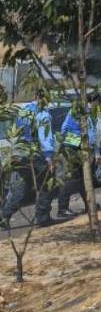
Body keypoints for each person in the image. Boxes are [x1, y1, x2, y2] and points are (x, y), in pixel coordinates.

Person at [1, 92, 57, 228]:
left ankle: (4, 216)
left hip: (20, 153)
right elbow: (45, 137)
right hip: (36, 153)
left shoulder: (24, 110)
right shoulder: (43, 114)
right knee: (46, 183)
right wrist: (49, 157)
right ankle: (43, 217)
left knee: (22, 186)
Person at [56, 106, 99, 218]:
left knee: (84, 177)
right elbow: (91, 134)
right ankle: (62, 208)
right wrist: (93, 151)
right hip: (73, 147)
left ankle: (89, 204)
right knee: (70, 178)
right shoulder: (84, 112)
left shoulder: (77, 110)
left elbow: (65, 128)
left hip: (75, 145)